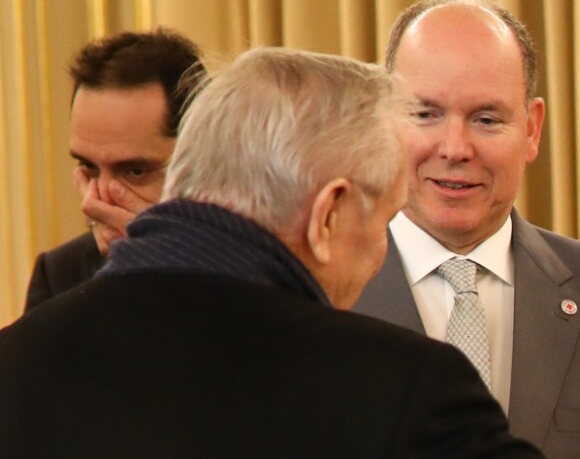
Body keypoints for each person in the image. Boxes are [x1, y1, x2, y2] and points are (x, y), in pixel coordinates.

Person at [0, 48, 541, 458]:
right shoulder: (406, 389)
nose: (381, 253)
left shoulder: (16, 362)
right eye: (382, 221)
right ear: (328, 215)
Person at [354, 0, 580, 458]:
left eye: (486, 118)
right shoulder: (311, 297)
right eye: (426, 114)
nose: (455, 148)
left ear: (532, 129)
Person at [24, 28, 206, 311]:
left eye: (134, 171)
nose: (98, 201)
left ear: (201, 160)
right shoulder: (59, 275)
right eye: (90, 168)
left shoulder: (263, 263)